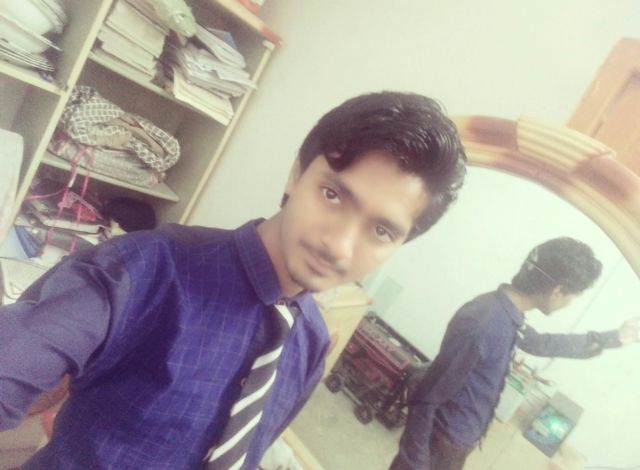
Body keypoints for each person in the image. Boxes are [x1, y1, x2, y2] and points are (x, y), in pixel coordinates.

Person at [0, 91, 467, 469]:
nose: (340, 245)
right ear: (296, 174)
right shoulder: (145, 270)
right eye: (332, 194)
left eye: (381, 231)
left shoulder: (309, 345)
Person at [390, 237, 640, 470]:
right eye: (572, 298)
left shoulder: (508, 313)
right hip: (440, 441)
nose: (568, 304)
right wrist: (415, 463)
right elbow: (427, 398)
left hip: (457, 439)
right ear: (557, 291)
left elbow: (541, 344)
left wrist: (614, 338)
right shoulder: (483, 322)